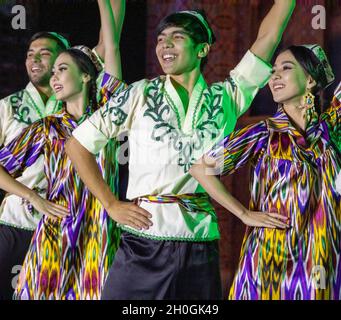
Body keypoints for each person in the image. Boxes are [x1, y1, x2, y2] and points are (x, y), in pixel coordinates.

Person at [66, 1, 295, 299]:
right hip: (143, 240)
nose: (165, 45)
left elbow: (268, 36)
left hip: (200, 243)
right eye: (160, 39)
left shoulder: (226, 97)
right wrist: (110, 204)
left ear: (202, 49)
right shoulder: (140, 93)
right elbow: (77, 144)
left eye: (177, 37)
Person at [189, 44, 341, 299]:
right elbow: (201, 169)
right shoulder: (263, 133)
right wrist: (244, 214)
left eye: (286, 68)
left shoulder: (332, 129)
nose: (275, 76)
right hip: (271, 261)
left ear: (311, 80)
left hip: (323, 259)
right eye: (272, 71)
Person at [0, 0, 126, 300]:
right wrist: (33, 197)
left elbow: (112, 44)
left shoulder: (106, 113)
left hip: (98, 230)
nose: (54, 76)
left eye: (60, 68)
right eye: (52, 71)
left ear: (85, 75)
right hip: (55, 229)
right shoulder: (47, 126)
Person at [0, 31, 70, 300]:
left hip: (62, 224)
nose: (35, 59)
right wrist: (31, 196)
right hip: (15, 222)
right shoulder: (9, 107)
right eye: (30, 54)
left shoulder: (73, 106)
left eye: (44, 53)